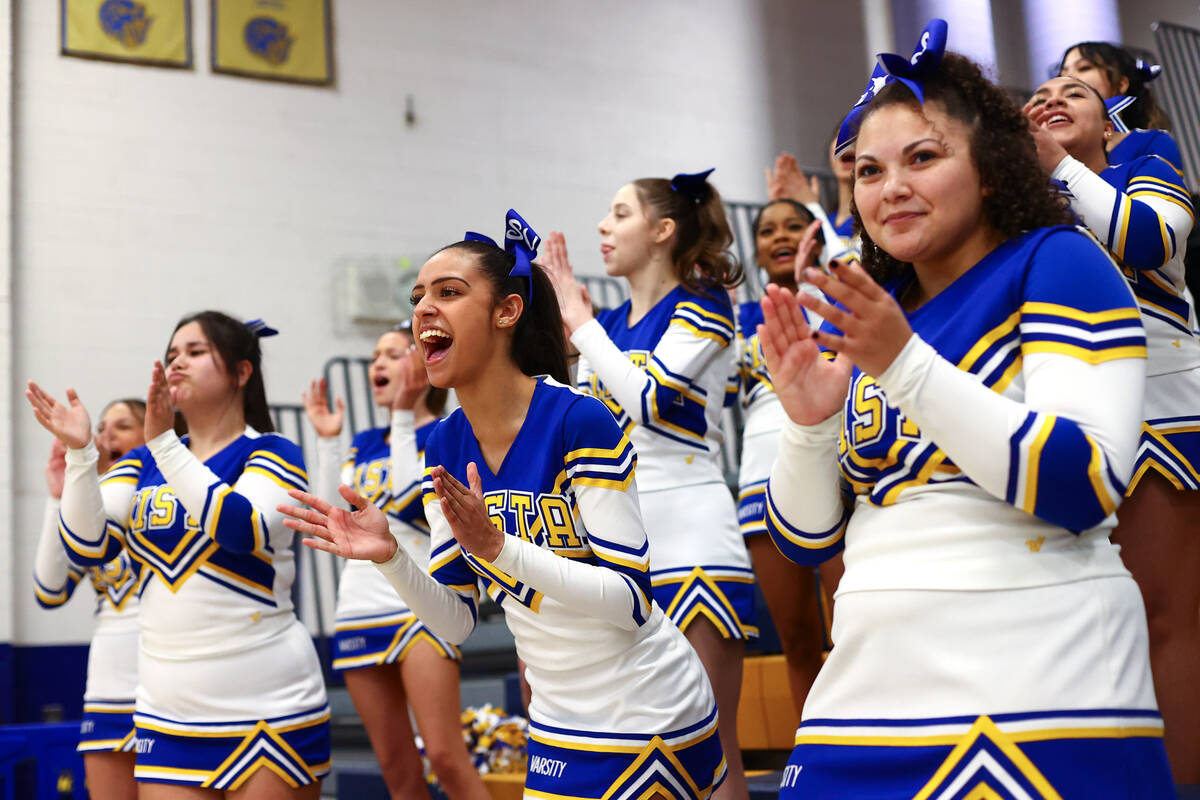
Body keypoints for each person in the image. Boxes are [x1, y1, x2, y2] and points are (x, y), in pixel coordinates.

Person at [761, 21, 1173, 797]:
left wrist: (904, 367)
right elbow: (806, 536)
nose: (892, 188)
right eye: (870, 171)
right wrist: (810, 423)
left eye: (923, 157)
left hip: (1036, 689)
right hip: (864, 697)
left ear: (989, 169)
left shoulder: (1061, 262)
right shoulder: (878, 312)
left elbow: (1083, 484)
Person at [281, 212, 726, 800]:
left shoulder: (577, 419)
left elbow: (630, 600)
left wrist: (497, 548)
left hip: (646, 710)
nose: (423, 310)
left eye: (448, 292)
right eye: (418, 298)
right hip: (555, 720)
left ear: (506, 311)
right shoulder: (443, 442)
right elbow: (456, 621)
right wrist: (391, 557)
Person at [27, 312, 330, 798]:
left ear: (241, 372)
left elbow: (239, 528)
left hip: (267, 703)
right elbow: (88, 545)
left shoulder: (273, 451)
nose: (177, 363)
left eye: (195, 352)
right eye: (171, 355)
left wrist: (166, 444)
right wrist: (82, 454)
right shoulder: (141, 461)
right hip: (166, 707)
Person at [542, 173, 753, 798]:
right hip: (620, 544)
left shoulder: (704, 303)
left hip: (692, 534)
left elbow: (653, 399)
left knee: (715, 753)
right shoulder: (603, 322)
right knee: (640, 747)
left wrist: (580, 326)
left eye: (620, 214)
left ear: (663, 231)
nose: (603, 227)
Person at [1026, 74, 1200, 783]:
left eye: (1074, 90)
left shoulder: (1147, 161)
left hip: (1158, 412)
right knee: (1087, 625)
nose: (1051, 97)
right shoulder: (1019, 206)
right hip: (1059, 419)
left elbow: (1153, 240)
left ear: (1110, 125)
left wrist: (1058, 167)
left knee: (1165, 616)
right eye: (1037, 95)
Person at [304, 324, 488, 800]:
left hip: (420, 602)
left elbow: (411, 502)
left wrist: (405, 418)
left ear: (423, 364)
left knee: (446, 758)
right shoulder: (363, 441)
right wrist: (328, 441)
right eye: (374, 356)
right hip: (358, 608)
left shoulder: (449, 432)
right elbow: (330, 517)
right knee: (396, 771)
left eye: (392, 353)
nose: (378, 364)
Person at [732, 201, 830, 716]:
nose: (781, 236)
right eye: (767, 230)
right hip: (760, 479)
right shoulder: (735, 317)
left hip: (835, 463)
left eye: (794, 224)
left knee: (852, 625)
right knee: (795, 636)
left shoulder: (836, 296)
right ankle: (814, 756)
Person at [34, 399, 148, 800]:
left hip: (165, 682)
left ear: (152, 434)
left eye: (122, 426)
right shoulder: (93, 509)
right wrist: (57, 497)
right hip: (105, 684)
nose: (106, 437)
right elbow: (49, 591)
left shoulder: (168, 495)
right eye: (102, 428)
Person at [1058, 42, 1183, 174]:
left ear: (1121, 84)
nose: (1067, 79)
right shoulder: (1053, 151)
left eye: (1084, 68)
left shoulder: (1152, 143)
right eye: (1062, 74)